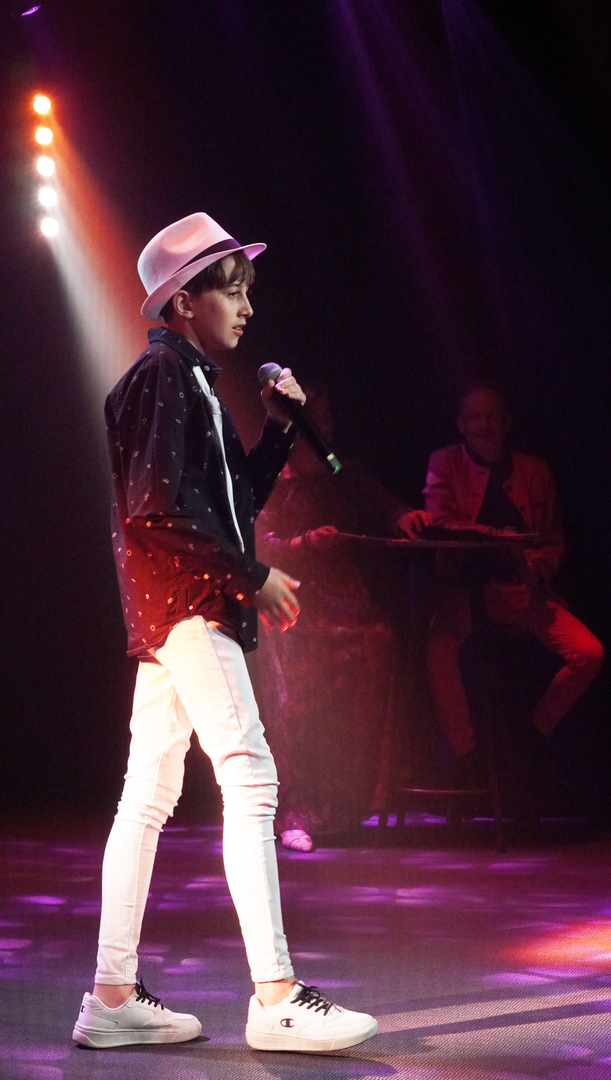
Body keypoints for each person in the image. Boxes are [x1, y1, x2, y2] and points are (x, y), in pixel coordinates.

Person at [72, 212, 378, 1053]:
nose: (247, 307)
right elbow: (157, 511)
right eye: (231, 290)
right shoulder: (162, 378)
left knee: (148, 794)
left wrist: (277, 428)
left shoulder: (190, 381)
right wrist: (251, 575)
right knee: (250, 778)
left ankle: (111, 995)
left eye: (246, 291)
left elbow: (227, 501)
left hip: (178, 604)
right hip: (187, 603)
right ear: (183, 301)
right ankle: (275, 995)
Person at [256, 387, 431, 852]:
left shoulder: (342, 473)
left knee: (380, 639)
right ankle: (295, 811)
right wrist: (306, 543)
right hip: (293, 603)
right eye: (315, 420)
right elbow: (258, 547)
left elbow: (385, 505)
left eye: (328, 420)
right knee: (299, 694)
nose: (324, 429)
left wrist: (404, 516)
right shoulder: (272, 478)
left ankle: (352, 800)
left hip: (343, 600)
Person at [424, 382, 604, 761]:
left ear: (507, 422)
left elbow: (553, 540)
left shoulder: (535, 471)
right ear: (461, 424)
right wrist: (499, 538)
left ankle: (535, 732)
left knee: (590, 653)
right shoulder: (445, 463)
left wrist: (542, 564)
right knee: (439, 648)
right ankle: (466, 754)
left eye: (491, 417)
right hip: (469, 595)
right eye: (475, 418)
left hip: (524, 593)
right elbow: (440, 523)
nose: (484, 426)